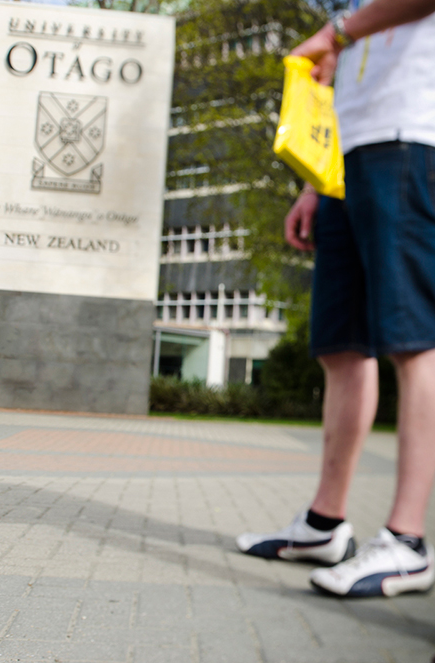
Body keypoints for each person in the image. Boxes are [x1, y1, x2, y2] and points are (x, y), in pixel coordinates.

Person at [236, 0, 435, 597]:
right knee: (341, 346)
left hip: (411, 138)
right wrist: (313, 184)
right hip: (342, 162)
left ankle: (406, 542)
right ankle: (324, 524)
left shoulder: (345, 22)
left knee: (415, 341)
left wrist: (335, 32)